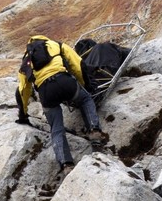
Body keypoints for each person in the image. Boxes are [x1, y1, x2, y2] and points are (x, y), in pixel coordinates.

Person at [15, 35, 105, 174]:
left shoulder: (26, 60)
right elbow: (78, 65)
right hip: (65, 81)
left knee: (56, 128)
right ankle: (94, 131)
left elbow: (23, 90)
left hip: (46, 92)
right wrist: (84, 85)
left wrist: (23, 114)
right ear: (44, 39)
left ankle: (66, 164)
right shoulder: (56, 45)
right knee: (85, 99)